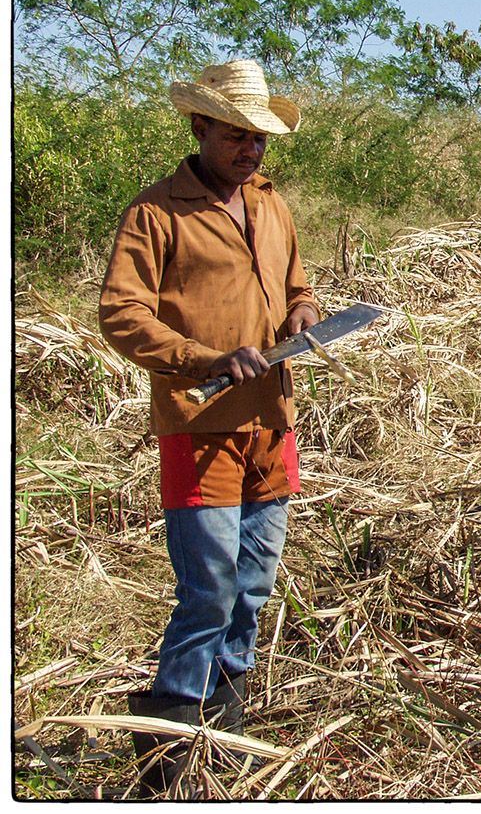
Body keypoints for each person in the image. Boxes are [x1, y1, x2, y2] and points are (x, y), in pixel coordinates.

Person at [98, 59, 318, 794]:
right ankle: (166, 754)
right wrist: (203, 358)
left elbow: (298, 285)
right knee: (210, 589)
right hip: (200, 427)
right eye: (237, 135)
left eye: (260, 139)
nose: (252, 149)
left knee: (251, 586)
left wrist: (303, 313)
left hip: (270, 423)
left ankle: (223, 727)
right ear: (199, 125)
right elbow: (122, 314)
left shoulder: (271, 204)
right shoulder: (157, 211)